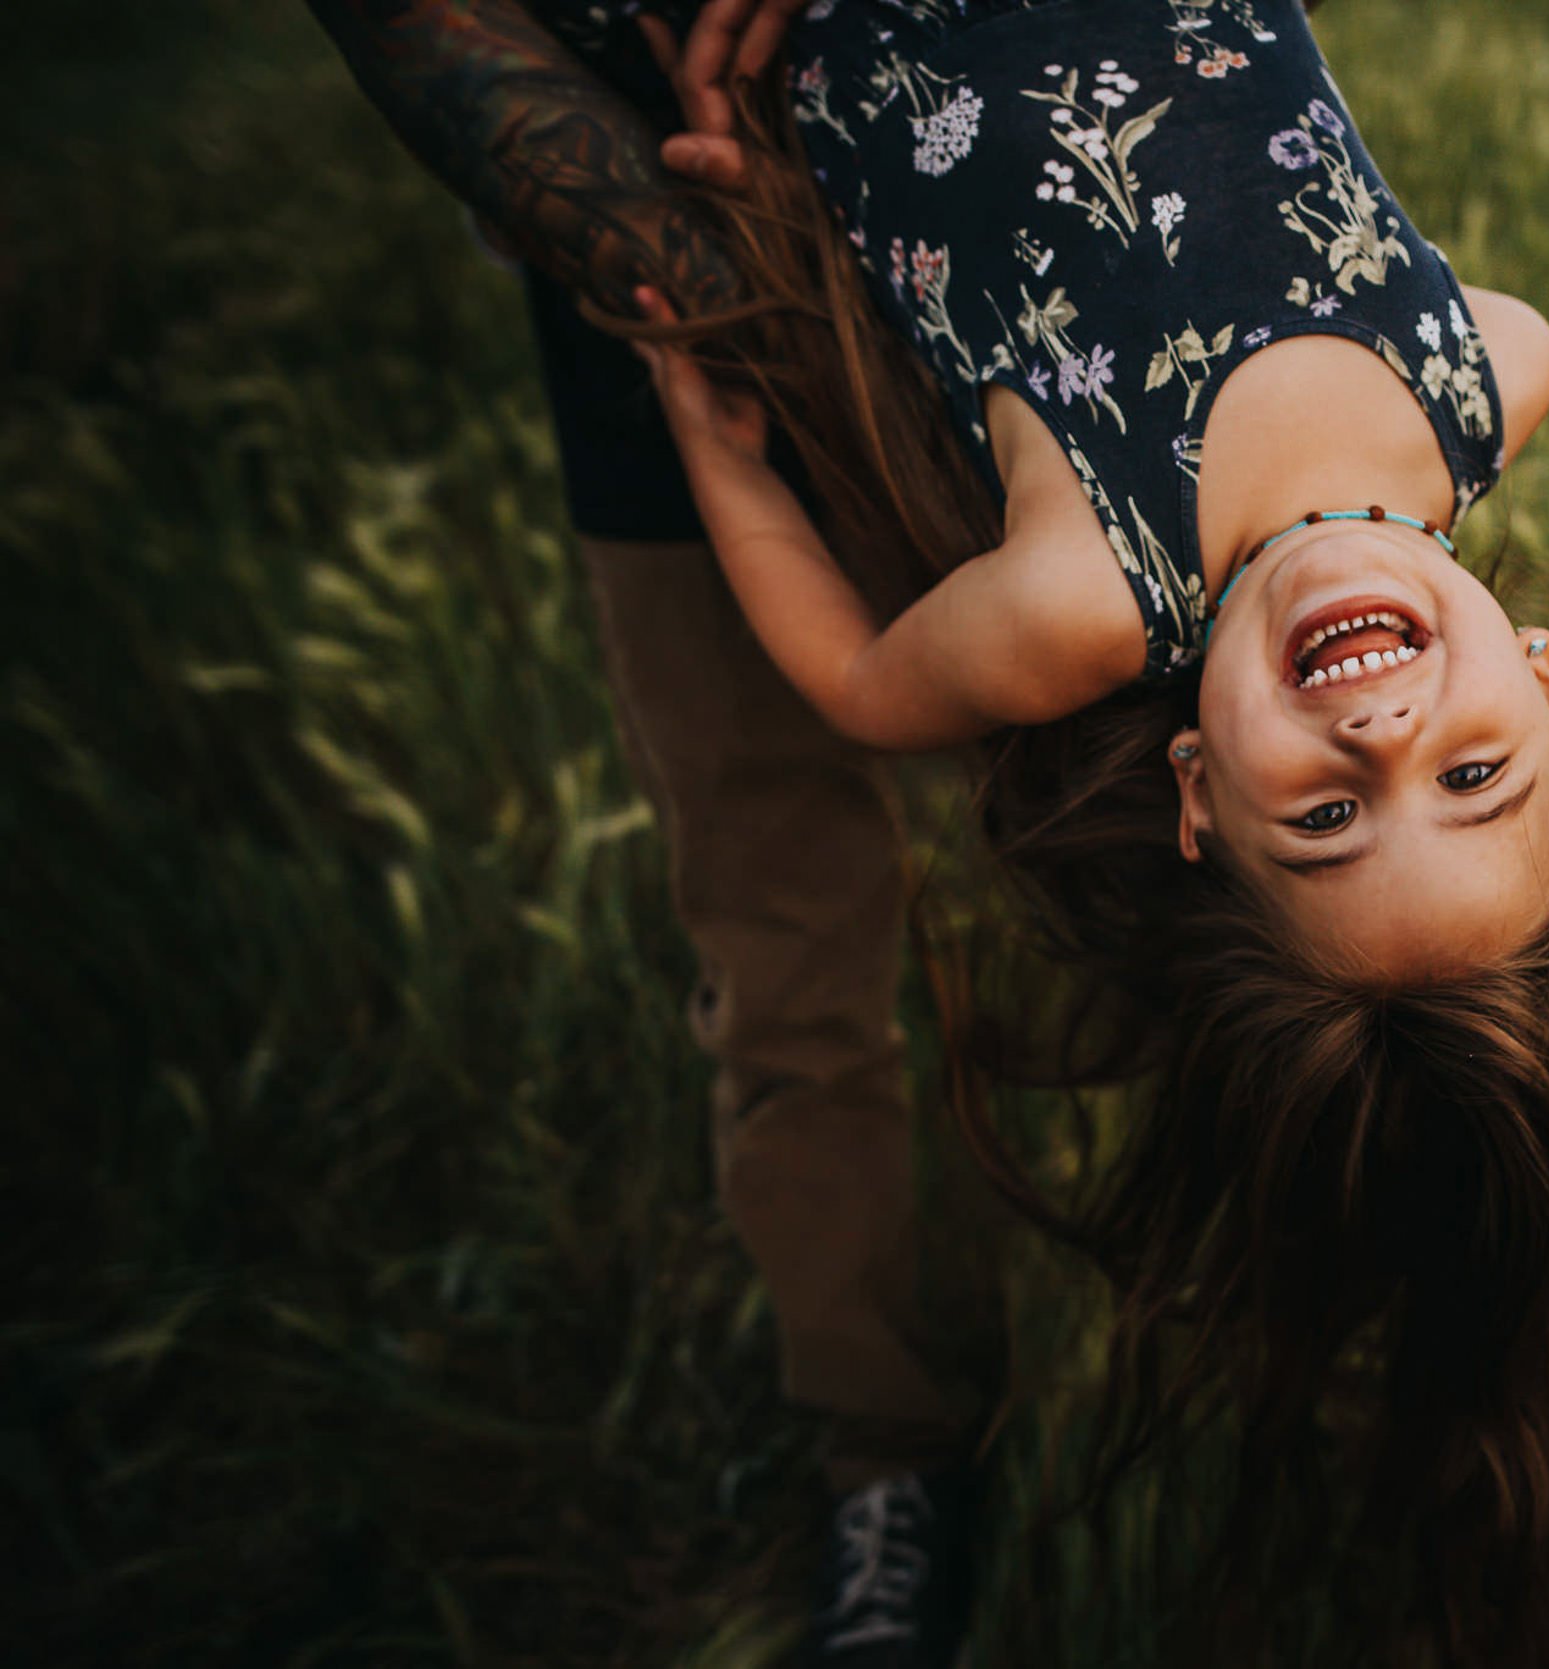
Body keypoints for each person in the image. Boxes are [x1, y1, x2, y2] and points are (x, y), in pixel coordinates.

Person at [611, 2, 1549, 1665]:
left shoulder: (1080, 595)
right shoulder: (1488, 372)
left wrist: (704, 425)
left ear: (1200, 789)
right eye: (1476, 779)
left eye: (1329, 819)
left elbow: (852, 677)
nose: (1384, 734)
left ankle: (883, 1451)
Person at [299, 5, 1004, 1664]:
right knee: (780, 951)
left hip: (1032, 321)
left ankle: (1250, 1357)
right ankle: (887, 1445)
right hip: (664, 355)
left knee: (1165, 869)